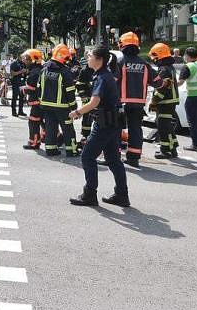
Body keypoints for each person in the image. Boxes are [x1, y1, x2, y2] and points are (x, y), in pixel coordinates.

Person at [69, 45, 130, 207]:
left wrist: (77, 112)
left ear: (99, 59)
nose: (87, 58)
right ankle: (122, 195)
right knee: (113, 159)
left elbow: (94, 102)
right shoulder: (103, 75)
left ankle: (89, 194)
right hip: (112, 122)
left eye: (90, 56)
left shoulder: (102, 77)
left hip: (105, 123)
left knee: (87, 156)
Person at [117, 32, 156, 167]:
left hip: (121, 103)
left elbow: (111, 80)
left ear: (122, 45)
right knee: (135, 129)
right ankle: (133, 158)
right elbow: (159, 82)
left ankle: (114, 156)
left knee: (116, 129)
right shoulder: (145, 64)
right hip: (139, 103)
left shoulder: (120, 62)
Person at [39, 44, 78, 157]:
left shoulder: (44, 69)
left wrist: (40, 101)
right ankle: (71, 150)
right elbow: (70, 91)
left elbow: (38, 87)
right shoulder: (64, 72)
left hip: (46, 105)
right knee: (68, 128)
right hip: (62, 107)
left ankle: (50, 150)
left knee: (50, 127)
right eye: (66, 58)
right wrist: (74, 107)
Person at [149, 43, 179, 159]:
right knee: (167, 125)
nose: (153, 59)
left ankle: (165, 150)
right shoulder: (169, 67)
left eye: (154, 57)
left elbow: (162, 88)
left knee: (162, 126)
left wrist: (154, 101)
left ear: (158, 56)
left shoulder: (164, 69)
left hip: (166, 102)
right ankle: (172, 147)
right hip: (170, 101)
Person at [21, 49, 45, 150]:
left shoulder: (34, 72)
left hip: (36, 102)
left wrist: (22, 90)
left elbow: (31, 89)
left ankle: (34, 143)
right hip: (42, 101)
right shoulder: (40, 69)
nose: (24, 61)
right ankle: (57, 138)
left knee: (33, 122)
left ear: (33, 60)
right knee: (44, 122)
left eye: (26, 59)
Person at [10, 52, 27, 117]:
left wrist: (26, 71)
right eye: (22, 56)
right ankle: (14, 112)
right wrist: (20, 71)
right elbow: (12, 73)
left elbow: (25, 72)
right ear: (19, 56)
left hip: (22, 82)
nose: (23, 57)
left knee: (21, 97)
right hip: (15, 82)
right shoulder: (14, 63)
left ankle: (20, 111)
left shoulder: (23, 63)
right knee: (15, 97)